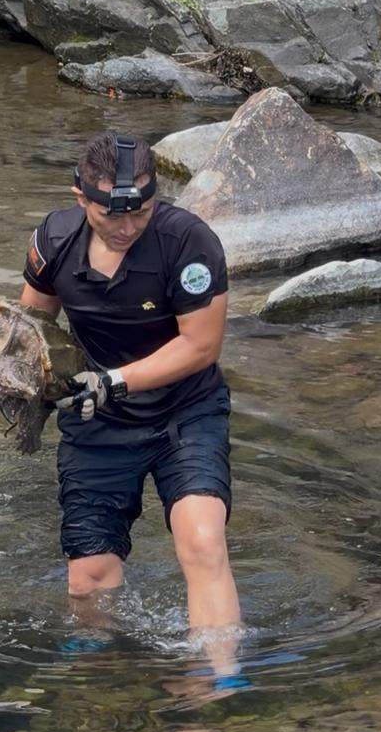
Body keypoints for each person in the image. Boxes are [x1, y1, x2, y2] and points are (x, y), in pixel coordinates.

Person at [20, 130, 241, 677]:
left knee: (202, 538)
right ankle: (103, 677)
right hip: (98, 421)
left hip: (184, 414)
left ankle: (219, 675)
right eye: (110, 215)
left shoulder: (189, 244)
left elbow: (201, 345)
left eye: (140, 213)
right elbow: (32, 324)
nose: (126, 227)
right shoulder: (54, 240)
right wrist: (21, 376)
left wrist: (114, 380)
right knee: (89, 574)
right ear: (80, 198)